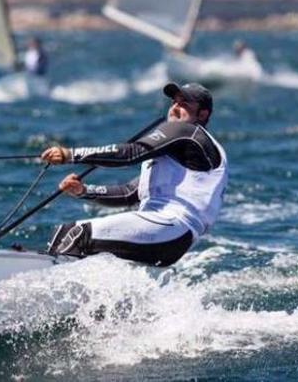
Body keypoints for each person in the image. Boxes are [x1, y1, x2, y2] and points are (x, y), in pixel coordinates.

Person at [40, 82, 228, 267]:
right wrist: (83, 190)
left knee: (75, 233)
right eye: (174, 102)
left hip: (170, 227)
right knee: (87, 253)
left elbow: (131, 153)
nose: (175, 108)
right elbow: (129, 193)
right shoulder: (180, 154)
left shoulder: (187, 131)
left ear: (203, 114)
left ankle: (41, 283)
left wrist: (71, 155)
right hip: (172, 237)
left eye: (184, 104)